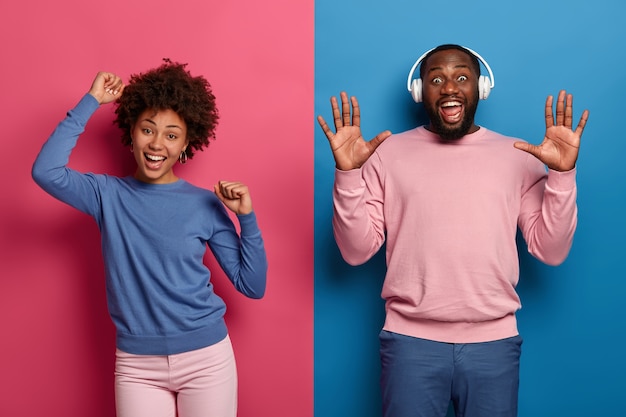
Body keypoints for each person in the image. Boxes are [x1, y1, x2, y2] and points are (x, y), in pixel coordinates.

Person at [317, 44, 589, 417]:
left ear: (481, 88)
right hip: (409, 343)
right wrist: (349, 175)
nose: (449, 88)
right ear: (419, 91)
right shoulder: (385, 154)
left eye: (462, 77)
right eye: (436, 79)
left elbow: (552, 251)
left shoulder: (519, 157)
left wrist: (561, 175)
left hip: (494, 344)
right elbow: (354, 251)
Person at [32, 60, 268, 417]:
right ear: (131, 132)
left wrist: (246, 217)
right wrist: (92, 100)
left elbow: (252, 285)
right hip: (137, 366)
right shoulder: (105, 195)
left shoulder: (206, 203)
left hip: (206, 359)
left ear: (187, 143)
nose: (157, 144)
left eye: (172, 135)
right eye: (148, 129)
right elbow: (45, 171)